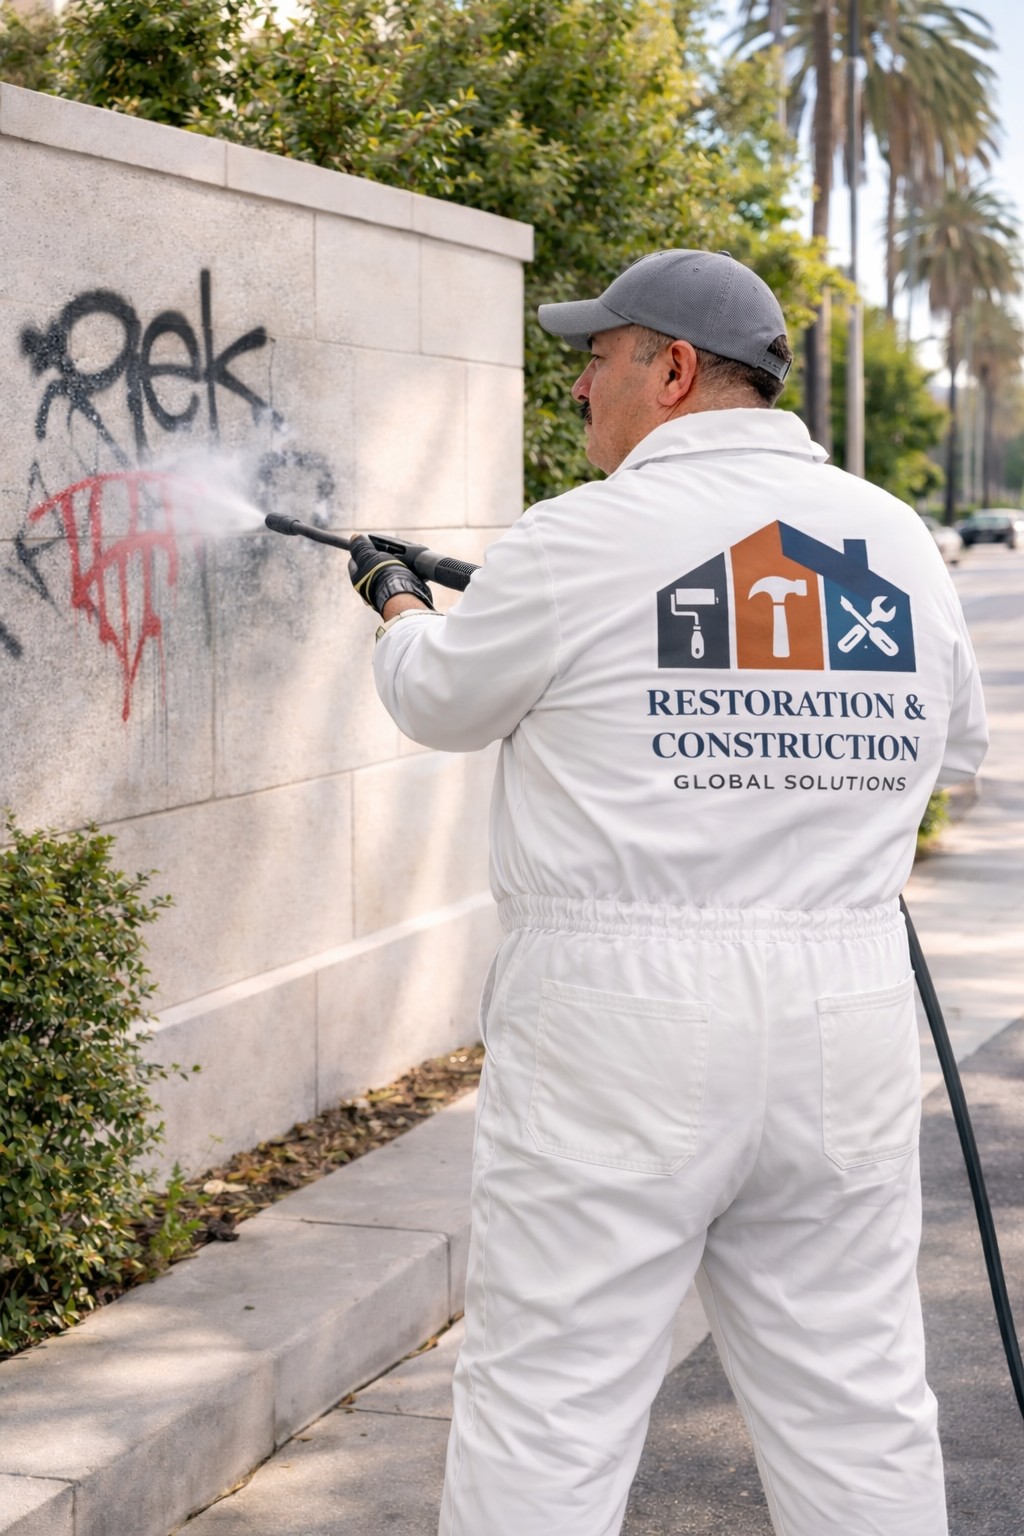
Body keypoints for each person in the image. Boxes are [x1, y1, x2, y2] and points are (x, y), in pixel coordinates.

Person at [346, 249, 988, 1536]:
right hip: (842, 1013)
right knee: (855, 1401)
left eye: (597, 356)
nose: (579, 384)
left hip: (618, 1019)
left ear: (674, 370)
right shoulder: (895, 544)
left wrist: (398, 600)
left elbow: (435, 697)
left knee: (552, 1404)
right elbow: (952, 751)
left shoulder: (576, 537)